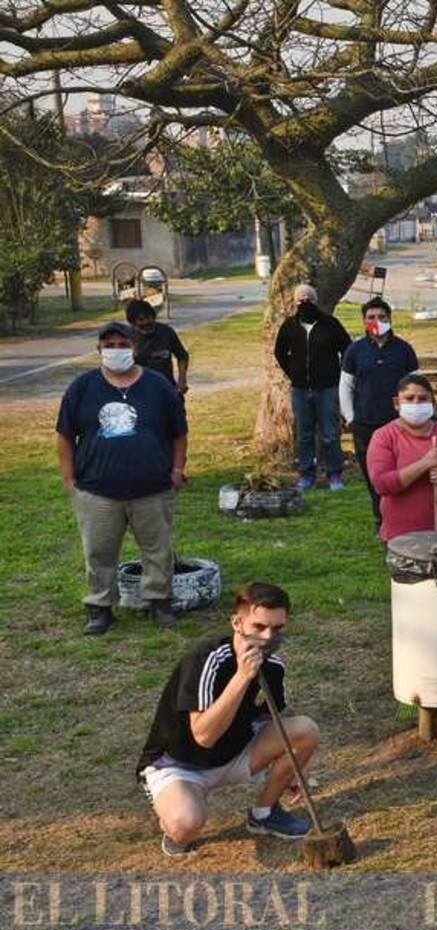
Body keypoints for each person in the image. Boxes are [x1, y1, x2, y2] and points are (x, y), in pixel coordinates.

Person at [136, 582, 321, 856]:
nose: (268, 637)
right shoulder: (204, 661)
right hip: (179, 764)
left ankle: (264, 813)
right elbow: (204, 736)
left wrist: (298, 765)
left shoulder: (272, 667)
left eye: (277, 629)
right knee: (186, 824)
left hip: (234, 755)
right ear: (237, 622)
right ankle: (175, 821)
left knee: (305, 729)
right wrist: (242, 678)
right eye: (259, 627)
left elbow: (271, 720)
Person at [56, 321, 189, 634]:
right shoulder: (82, 387)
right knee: (98, 552)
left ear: (135, 347)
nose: (116, 351)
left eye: (123, 345)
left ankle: (158, 601)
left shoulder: (158, 385)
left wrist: (177, 471)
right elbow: (65, 435)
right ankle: (100, 607)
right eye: (110, 346)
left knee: (157, 549)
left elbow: (179, 433)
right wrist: (69, 479)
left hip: (153, 488)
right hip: (97, 490)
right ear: (99, 350)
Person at [365, 374, 437, 542]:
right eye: (409, 398)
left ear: (433, 402)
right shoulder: (384, 436)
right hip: (402, 538)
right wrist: (424, 464)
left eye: (423, 398)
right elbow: (382, 484)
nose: (416, 403)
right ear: (397, 403)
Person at [339, 297, 419, 528]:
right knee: (373, 475)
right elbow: (345, 386)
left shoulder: (404, 349)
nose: (377, 321)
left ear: (390, 319)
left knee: (401, 473)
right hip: (365, 424)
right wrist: (351, 418)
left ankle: (404, 517)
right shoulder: (355, 350)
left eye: (381, 317)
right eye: (371, 317)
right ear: (364, 321)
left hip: (399, 424)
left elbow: (417, 383)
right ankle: (382, 520)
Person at [273, 284, 351, 491]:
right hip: (300, 390)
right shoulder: (289, 326)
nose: (304, 302)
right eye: (300, 300)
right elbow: (280, 352)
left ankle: (334, 474)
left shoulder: (331, 324)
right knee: (304, 435)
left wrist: (339, 374)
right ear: (295, 303)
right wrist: (294, 373)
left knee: (330, 434)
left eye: (308, 299)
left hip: (327, 389)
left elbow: (347, 348)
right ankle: (306, 475)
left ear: (315, 301)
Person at [125, 299, 189, 395]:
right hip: (139, 391)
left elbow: (182, 356)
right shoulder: (127, 337)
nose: (146, 322)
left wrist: (182, 379)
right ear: (132, 323)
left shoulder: (166, 332)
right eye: (141, 320)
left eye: (148, 318)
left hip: (166, 388)